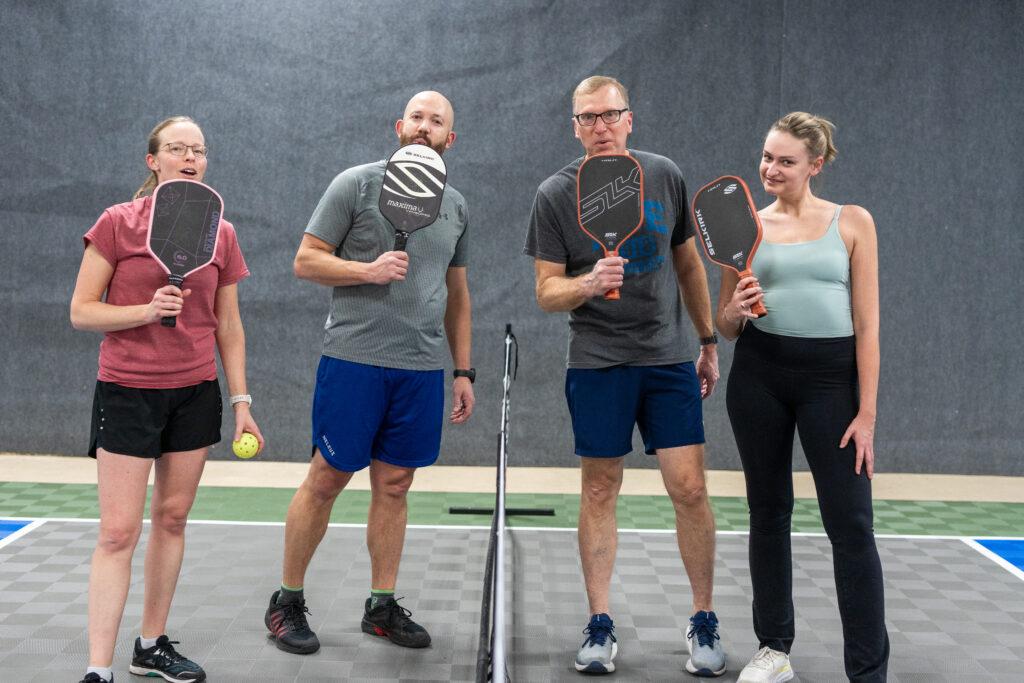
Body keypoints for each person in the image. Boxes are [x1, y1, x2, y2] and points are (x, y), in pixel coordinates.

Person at [524, 76, 727, 677]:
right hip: (597, 361)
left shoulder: (663, 174)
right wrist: (586, 283)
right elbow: (545, 292)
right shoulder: (555, 194)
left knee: (689, 489)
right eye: (587, 118)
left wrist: (708, 339)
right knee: (598, 489)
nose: (600, 126)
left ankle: (704, 620)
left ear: (629, 119)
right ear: (575, 127)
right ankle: (599, 624)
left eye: (610, 114)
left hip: (666, 359)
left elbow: (687, 262)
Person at [263, 90, 474, 655]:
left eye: (438, 122)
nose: (425, 127)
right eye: (418, 117)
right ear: (398, 126)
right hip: (355, 360)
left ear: (449, 139)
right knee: (327, 478)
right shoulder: (354, 184)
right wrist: (367, 269)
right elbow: (306, 260)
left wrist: (464, 369)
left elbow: (457, 291)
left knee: (396, 485)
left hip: (421, 369)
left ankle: (381, 605)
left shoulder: (454, 205)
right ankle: (285, 601)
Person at [70, 116, 263, 683]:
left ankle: (150, 645)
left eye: (199, 150)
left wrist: (241, 401)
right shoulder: (117, 224)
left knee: (173, 518)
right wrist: (144, 312)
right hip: (128, 391)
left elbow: (228, 324)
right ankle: (97, 668)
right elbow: (82, 310)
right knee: (117, 532)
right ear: (153, 161)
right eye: (177, 148)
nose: (190, 157)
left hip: (195, 391)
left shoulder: (219, 234)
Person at [717, 112, 888, 683]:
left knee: (851, 524)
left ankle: (867, 670)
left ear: (816, 164)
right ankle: (774, 650)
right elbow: (725, 324)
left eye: (786, 161)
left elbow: (868, 326)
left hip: (831, 383)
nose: (771, 169)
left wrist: (865, 414)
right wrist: (733, 314)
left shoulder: (853, 223)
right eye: (766, 157)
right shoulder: (744, 227)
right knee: (768, 514)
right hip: (759, 376)